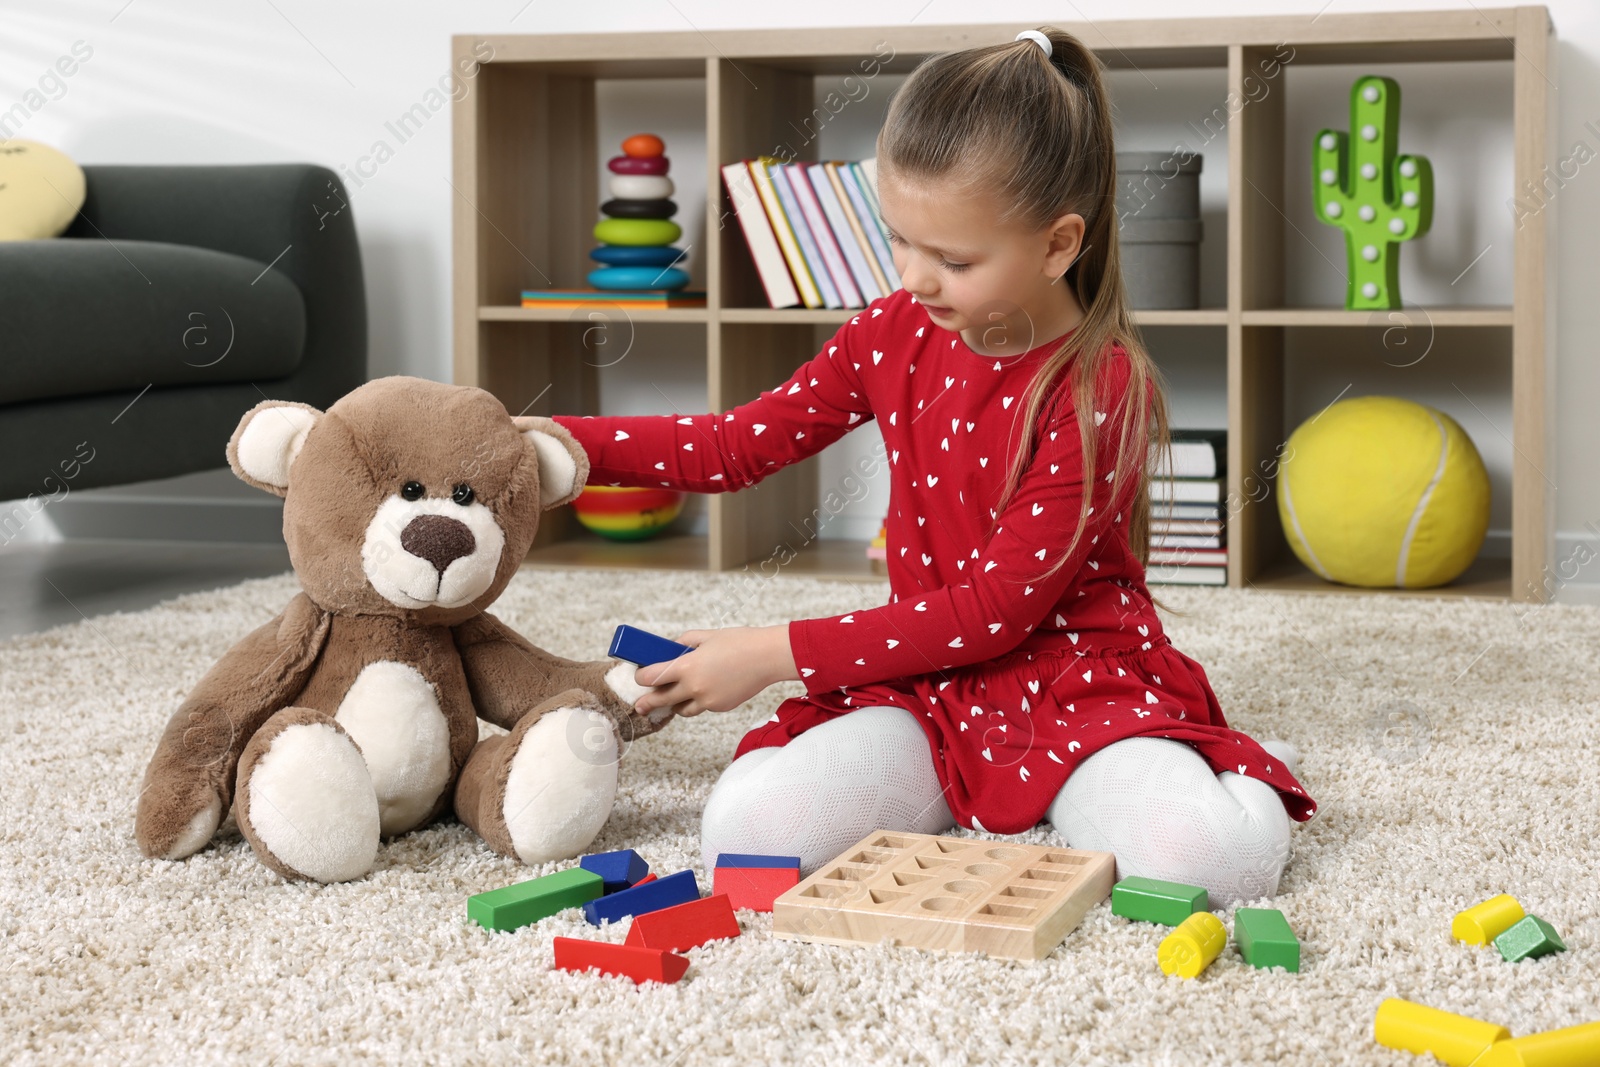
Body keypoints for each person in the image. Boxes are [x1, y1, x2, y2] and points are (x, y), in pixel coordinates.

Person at [548, 26, 1316, 907]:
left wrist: (770, 652)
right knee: (745, 831)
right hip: (928, 681)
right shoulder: (893, 330)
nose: (914, 278)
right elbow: (736, 444)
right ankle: (974, 794)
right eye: (898, 239)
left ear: (1060, 244)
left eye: (953, 259)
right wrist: (562, 445)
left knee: (1208, 864)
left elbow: (993, 612)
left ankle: (1224, 766)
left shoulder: (1102, 386)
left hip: (1077, 688)